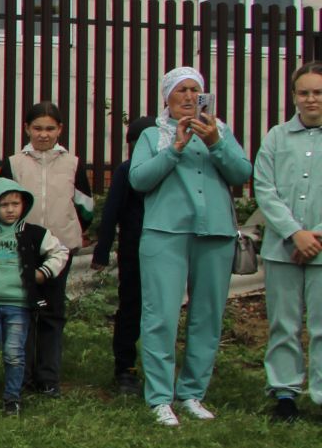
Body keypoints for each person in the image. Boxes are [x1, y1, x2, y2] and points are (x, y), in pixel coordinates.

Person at [130, 66, 251, 425]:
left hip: (215, 233)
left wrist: (215, 142)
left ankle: (192, 393)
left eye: (194, 91)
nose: (187, 97)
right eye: (180, 90)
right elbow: (139, 179)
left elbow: (242, 173)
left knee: (207, 317)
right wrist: (176, 149)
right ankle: (160, 397)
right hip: (165, 233)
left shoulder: (221, 131)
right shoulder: (154, 135)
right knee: (161, 316)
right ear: (167, 97)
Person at [2, 103, 94, 395]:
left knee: (52, 313)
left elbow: (86, 206)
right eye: (38, 128)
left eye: (50, 129)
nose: (43, 134)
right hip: (20, 249)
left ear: (60, 130)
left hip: (60, 248)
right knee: (23, 312)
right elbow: (2, 203)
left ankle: (48, 379)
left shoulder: (73, 164)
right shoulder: (15, 163)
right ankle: (22, 377)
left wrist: (68, 230)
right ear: (27, 129)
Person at [0, 179, 70, 414]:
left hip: (19, 304)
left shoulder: (33, 233)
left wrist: (44, 272)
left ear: (23, 205)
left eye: (15, 204)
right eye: (3, 205)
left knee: (14, 354)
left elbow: (61, 251)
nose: (10, 210)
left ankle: (12, 400)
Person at [254, 62, 322, 422]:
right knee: (284, 323)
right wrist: (295, 232)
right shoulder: (277, 136)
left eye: (318, 92)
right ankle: (285, 393)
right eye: (304, 92)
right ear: (295, 96)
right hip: (283, 249)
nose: (311, 99)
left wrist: (314, 236)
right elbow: (265, 188)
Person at [92, 117, 155, 397]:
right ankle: (125, 368)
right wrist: (102, 250)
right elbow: (111, 212)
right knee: (131, 308)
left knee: (159, 312)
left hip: (166, 251)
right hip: (133, 252)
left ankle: (157, 368)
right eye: (135, 143)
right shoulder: (127, 171)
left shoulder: (164, 169)